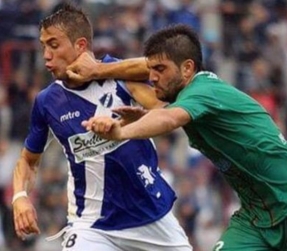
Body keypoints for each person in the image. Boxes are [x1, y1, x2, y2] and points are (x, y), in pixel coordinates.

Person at [80, 24, 287, 251]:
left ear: (187, 69)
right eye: (151, 70)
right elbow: (166, 113)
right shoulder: (193, 96)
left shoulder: (202, 90)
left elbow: (169, 119)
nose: (152, 77)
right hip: (257, 216)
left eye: (160, 69)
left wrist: (120, 132)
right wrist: (144, 114)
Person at [11, 5, 192, 251]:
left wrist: (137, 116)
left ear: (81, 45)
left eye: (54, 45)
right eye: (43, 46)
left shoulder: (118, 76)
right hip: (91, 224)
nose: (46, 55)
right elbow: (28, 161)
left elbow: (168, 103)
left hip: (149, 216)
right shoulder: (46, 102)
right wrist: (20, 197)